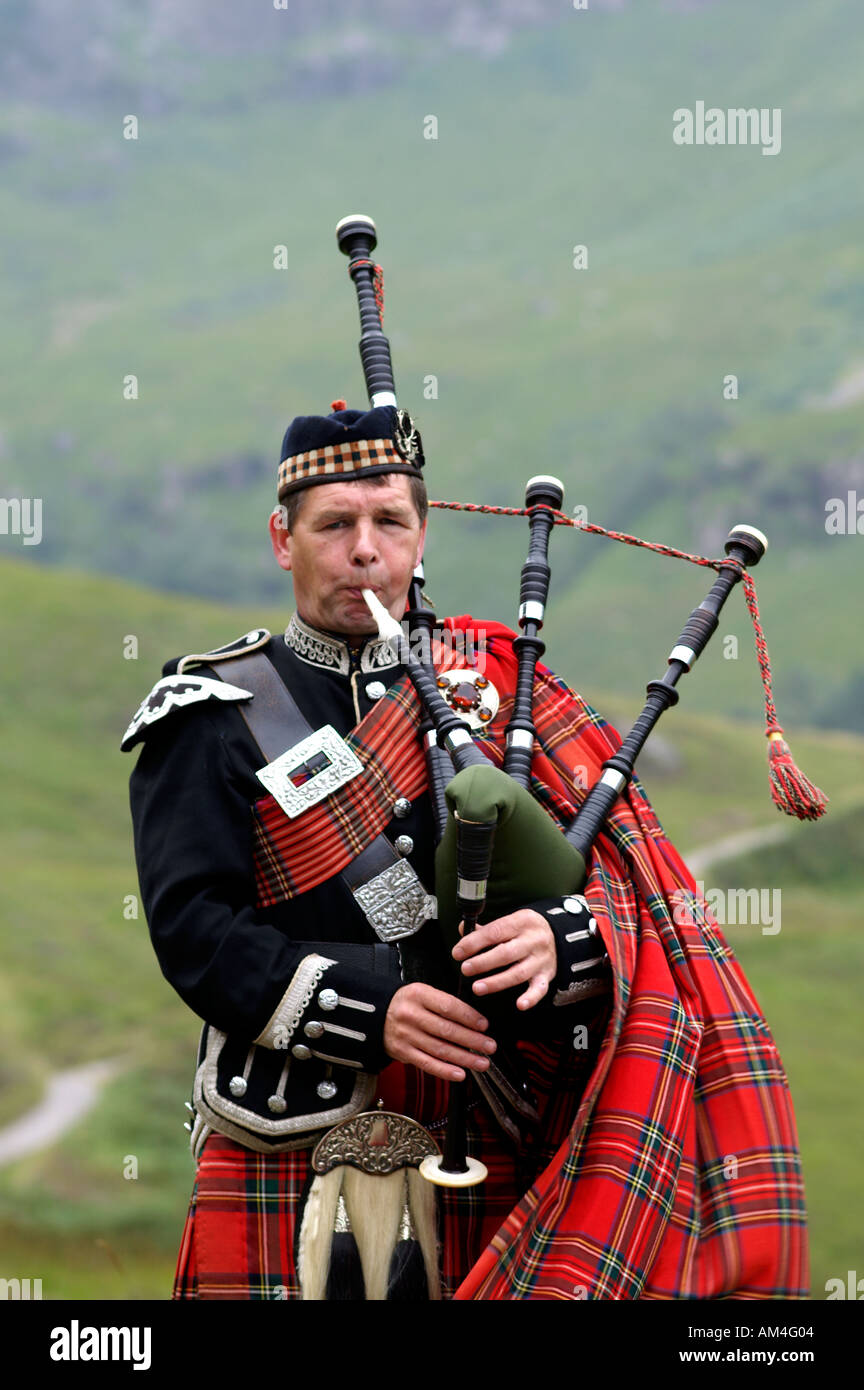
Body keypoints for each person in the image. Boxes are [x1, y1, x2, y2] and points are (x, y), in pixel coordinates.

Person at [124, 404, 808, 1301]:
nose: (364, 550)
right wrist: (376, 1009)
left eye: (388, 523)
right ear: (282, 538)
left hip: (506, 1128)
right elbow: (196, 933)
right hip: (301, 1140)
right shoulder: (213, 715)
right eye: (333, 525)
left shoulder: (502, 683)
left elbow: (634, 888)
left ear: (422, 534)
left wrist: (567, 943)